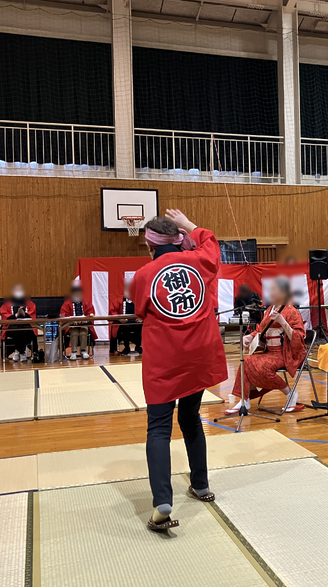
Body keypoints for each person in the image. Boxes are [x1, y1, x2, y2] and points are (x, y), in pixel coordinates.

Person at [130, 209, 227, 532]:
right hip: (198, 356)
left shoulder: (144, 275)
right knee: (190, 417)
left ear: (149, 245)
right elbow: (211, 243)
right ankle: (201, 484)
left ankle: (162, 502)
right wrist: (190, 225)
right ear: (178, 238)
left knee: (159, 428)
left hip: (165, 360)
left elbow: (141, 310)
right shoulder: (199, 261)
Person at [225, 275, 306, 415]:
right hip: (269, 352)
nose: (270, 293)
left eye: (274, 290)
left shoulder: (292, 311)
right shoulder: (269, 310)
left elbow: (299, 338)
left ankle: (290, 394)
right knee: (245, 361)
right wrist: (249, 337)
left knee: (262, 367)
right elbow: (260, 330)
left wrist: (283, 322)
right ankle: (244, 400)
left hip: (284, 353)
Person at [1, 283, 37, 362]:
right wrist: (17, 314)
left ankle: (18, 351)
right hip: (12, 327)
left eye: (20, 290)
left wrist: (23, 314)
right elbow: (5, 316)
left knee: (24, 331)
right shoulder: (7, 304)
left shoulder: (30, 304)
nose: (19, 291)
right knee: (17, 331)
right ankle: (22, 352)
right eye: (17, 290)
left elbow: (32, 316)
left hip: (27, 327)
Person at [59, 284, 96, 360]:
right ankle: (74, 352)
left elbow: (91, 313)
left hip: (84, 324)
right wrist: (72, 320)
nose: (77, 295)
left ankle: (83, 351)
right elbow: (63, 315)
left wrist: (84, 319)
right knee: (74, 333)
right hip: (72, 325)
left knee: (83, 332)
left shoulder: (87, 302)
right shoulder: (67, 303)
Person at [109, 279, 141, 356]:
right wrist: (120, 318)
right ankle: (126, 347)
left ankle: (138, 347)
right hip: (124, 322)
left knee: (141, 327)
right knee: (125, 328)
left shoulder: (138, 299)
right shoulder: (118, 300)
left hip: (136, 322)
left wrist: (141, 318)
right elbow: (112, 312)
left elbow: (144, 310)